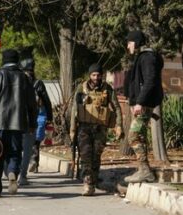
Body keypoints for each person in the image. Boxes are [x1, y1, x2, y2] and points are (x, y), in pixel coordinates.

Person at [0, 49, 37, 198]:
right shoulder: (25, 78)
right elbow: (32, 104)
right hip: (17, 124)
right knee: (15, 153)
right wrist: (32, 123)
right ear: (17, 61)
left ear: (4, 61)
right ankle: (12, 171)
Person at [70, 63, 123, 196]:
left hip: (100, 129)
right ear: (90, 75)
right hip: (84, 128)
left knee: (96, 156)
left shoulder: (108, 89)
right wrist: (72, 129)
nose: (96, 77)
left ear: (102, 75)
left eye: (98, 75)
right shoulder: (81, 88)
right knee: (85, 155)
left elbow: (116, 107)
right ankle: (88, 183)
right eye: (93, 75)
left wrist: (119, 125)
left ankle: (93, 181)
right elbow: (74, 109)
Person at [123, 30, 164, 183]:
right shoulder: (142, 57)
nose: (128, 46)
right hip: (141, 103)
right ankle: (143, 170)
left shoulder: (147, 57)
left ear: (136, 42)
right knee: (139, 136)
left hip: (144, 104)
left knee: (133, 136)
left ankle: (145, 171)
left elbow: (150, 80)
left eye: (129, 42)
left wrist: (140, 101)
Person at [19, 50, 53, 185]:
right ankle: (31, 163)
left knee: (35, 140)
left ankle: (33, 161)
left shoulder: (37, 84)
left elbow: (46, 100)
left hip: (38, 114)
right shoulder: (23, 83)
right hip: (28, 116)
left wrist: (49, 117)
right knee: (31, 141)